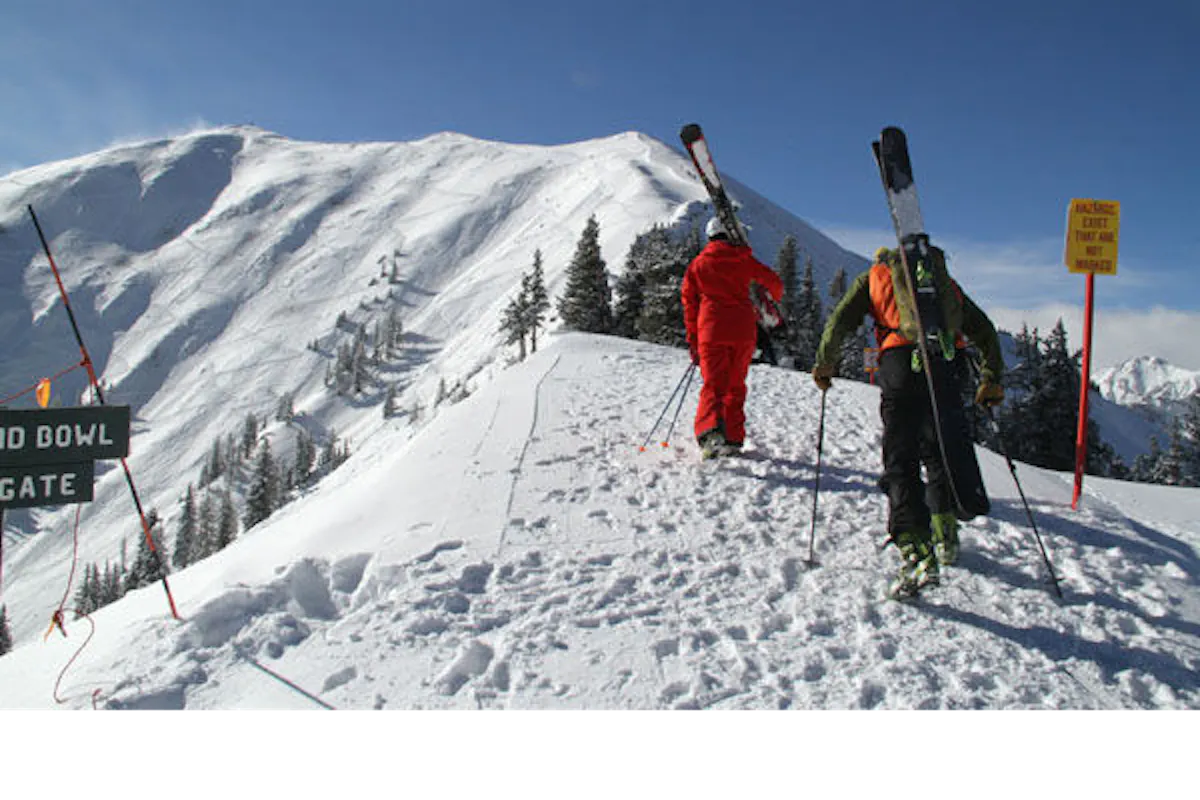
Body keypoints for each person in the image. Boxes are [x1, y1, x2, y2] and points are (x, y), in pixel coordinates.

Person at [812, 242, 1005, 599]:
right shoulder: (943, 284)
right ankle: (945, 531)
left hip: (899, 364)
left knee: (901, 457)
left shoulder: (874, 276)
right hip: (947, 365)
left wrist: (826, 363)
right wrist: (991, 379)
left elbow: (840, 320)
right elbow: (984, 330)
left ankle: (915, 548)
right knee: (938, 449)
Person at [682, 216, 783, 459]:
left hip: (712, 330)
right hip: (743, 332)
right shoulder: (743, 260)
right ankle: (733, 437)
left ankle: (709, 433)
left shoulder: (697, 265)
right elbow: (775, 285)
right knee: (736, 385)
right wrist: (766, 299)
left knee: (713, 384)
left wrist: (693, 342)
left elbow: (689, 305)